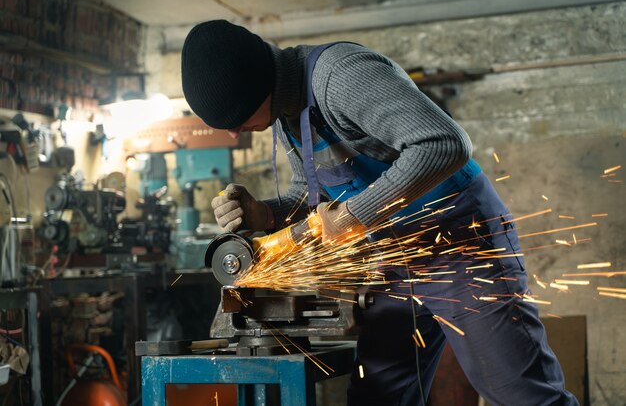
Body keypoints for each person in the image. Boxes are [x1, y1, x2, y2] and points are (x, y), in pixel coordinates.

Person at [181, 20, 578, 406]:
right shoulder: (285, 112)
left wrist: (353, 217)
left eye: (236, 121)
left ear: (258, 83)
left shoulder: (340, 76)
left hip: (459, 246)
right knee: (381, 395)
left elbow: (444, 144)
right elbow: (313, 194)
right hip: (394, 261)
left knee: (518, 392)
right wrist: (266, 214)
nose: (234, 134)